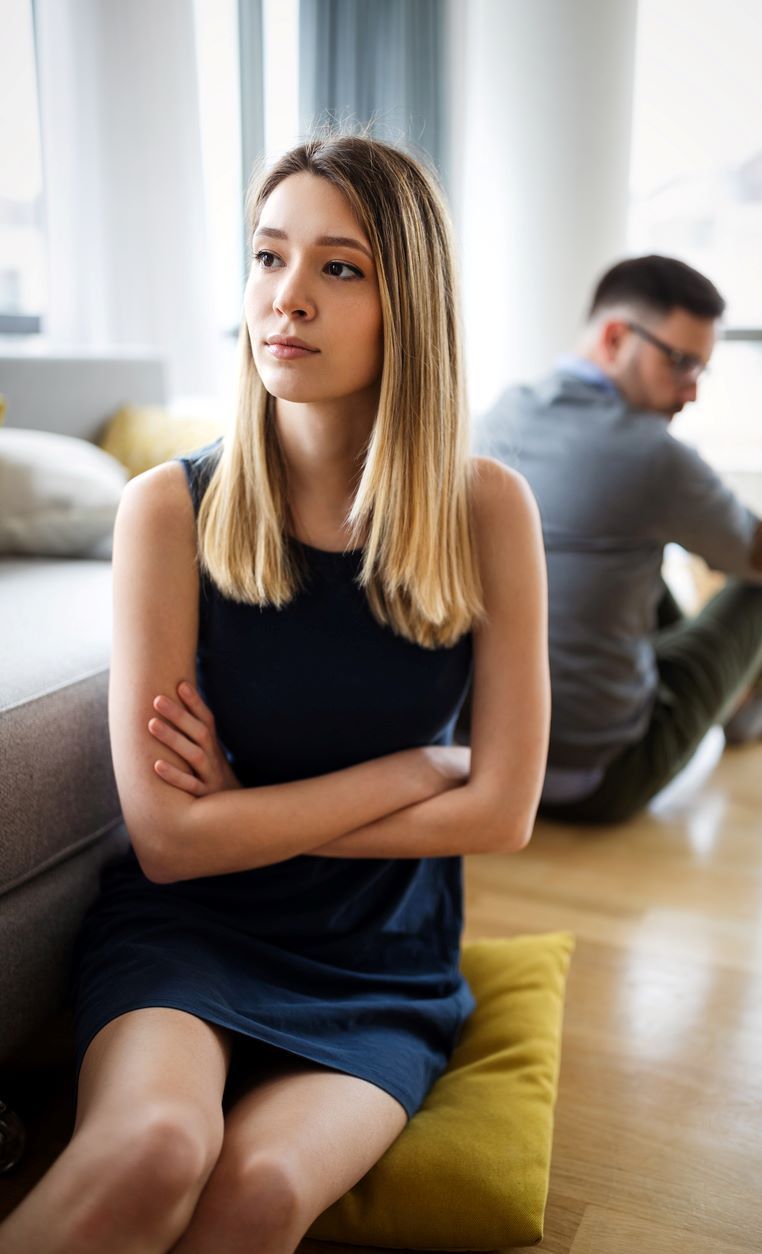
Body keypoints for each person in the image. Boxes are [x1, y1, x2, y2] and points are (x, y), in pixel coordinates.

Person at [0, 135, 548, 1253]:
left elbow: (502, 812)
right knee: (151, 1150)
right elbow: (166, 846)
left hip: (381, 958)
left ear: (410, 307)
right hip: (192, 928)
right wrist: (409, 773)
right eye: (266, 257)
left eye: (337, 268)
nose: (283, 300)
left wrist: (234, 819)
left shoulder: (487, 509)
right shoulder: (167, 509)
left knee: (253, 1192)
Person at [475, 253, 762, 826]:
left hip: (490, 766)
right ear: (616, 338)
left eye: (700, 371)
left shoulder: (497, 415)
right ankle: (759, 705)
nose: (691, 393)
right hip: (600, 778)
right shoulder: (654, 456)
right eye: (682, 364)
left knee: (636, 561)